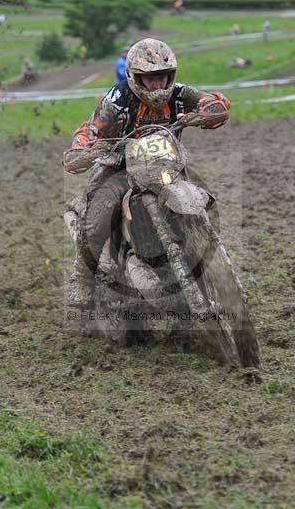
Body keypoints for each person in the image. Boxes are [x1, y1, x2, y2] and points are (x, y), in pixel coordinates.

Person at [62, 38, 230, 309]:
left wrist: (210, 109)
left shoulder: (178, 93)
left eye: (163, 77)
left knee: (198, 200)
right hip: (120, 167)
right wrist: (83, 149)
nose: (158, 84)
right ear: (135, 77)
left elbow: (211, 102)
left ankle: (203, 256)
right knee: (97, 217)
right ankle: (82, 279)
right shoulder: (117, 100)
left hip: (165, 166)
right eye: (151, 78)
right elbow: (91, 130)